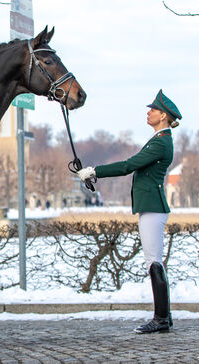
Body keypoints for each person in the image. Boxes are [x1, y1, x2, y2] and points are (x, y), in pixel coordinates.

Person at [77, 89, 181, 334]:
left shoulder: (161, 142)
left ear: (164, 116)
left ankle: (161, 318)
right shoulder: (159, 139)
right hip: (150, 206)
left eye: (154, 110)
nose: (149, 112)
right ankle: (165, 316)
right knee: (154, 260)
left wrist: (95, 171)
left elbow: (128, 165)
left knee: (153, 261)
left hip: (153, 207)